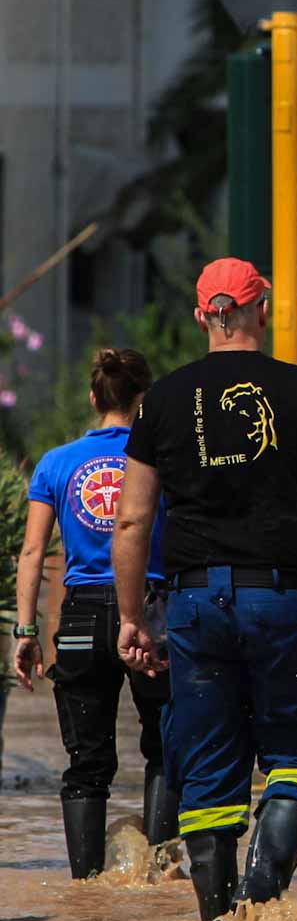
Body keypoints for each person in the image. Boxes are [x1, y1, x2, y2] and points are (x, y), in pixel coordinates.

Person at [112, 258, 297, 921]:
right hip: (286, 601)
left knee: (207, 766)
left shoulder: (162, 401)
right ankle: (261, 896)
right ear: (261, 307)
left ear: (203, 315)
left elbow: (131, 518)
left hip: (195, 603)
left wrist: (130, 617)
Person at [14, 348, 173, 877]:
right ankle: (158, 874)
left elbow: (34, 552)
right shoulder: (164, 453)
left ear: (93, 397)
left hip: (81, 617)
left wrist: (26, 630)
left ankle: (84, 890)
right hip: (152, 611)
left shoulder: (56, 463)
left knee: (86, 765)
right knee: (166, 749)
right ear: (144, 399)